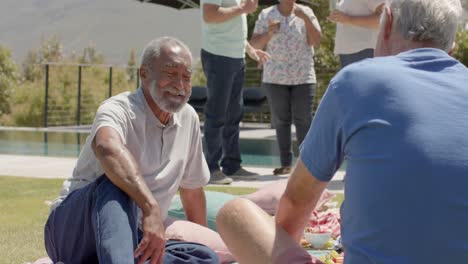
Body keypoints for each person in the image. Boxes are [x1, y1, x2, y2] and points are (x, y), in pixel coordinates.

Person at [216, 0, 468, 263]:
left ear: (388, 22)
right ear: (450, 48)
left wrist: (288, 250)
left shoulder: (357, 82)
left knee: (236, 212)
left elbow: (296, 201)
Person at [44, 37, 219, 264]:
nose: (180, 84)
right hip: (72, 230)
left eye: (186, 77)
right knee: (115, 184)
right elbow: (106, 146)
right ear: (144, 74)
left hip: (132, 237)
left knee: (204, 257)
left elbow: (192, 191)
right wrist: (150, 207)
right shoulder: (118, 108)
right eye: (171, 73)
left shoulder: (189, 118)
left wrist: (201, 238)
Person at [201, 0, 270, 184]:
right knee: (217, 115)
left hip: (236, 57)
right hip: (218, 55)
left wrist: (251, 50)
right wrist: (241, 9)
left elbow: (234, 27)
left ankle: (232, 164)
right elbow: (209, 14)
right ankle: (210, 168)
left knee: (234, 114)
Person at [250, 0, 321, 175]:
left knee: (304, 120)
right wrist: (269, 32)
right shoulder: (267, 14)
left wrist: (305, 19)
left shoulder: (306, 12)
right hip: (275, 77)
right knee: (281, 121)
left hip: (303, 76)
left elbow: (316, 40)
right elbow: (255, 45)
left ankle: (307, 166)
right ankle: (286, 164)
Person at [328, 0, 385, 68]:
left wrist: (348, 19)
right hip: (347, 53)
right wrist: (338, 17)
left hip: (364, 52)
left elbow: (382, 19)